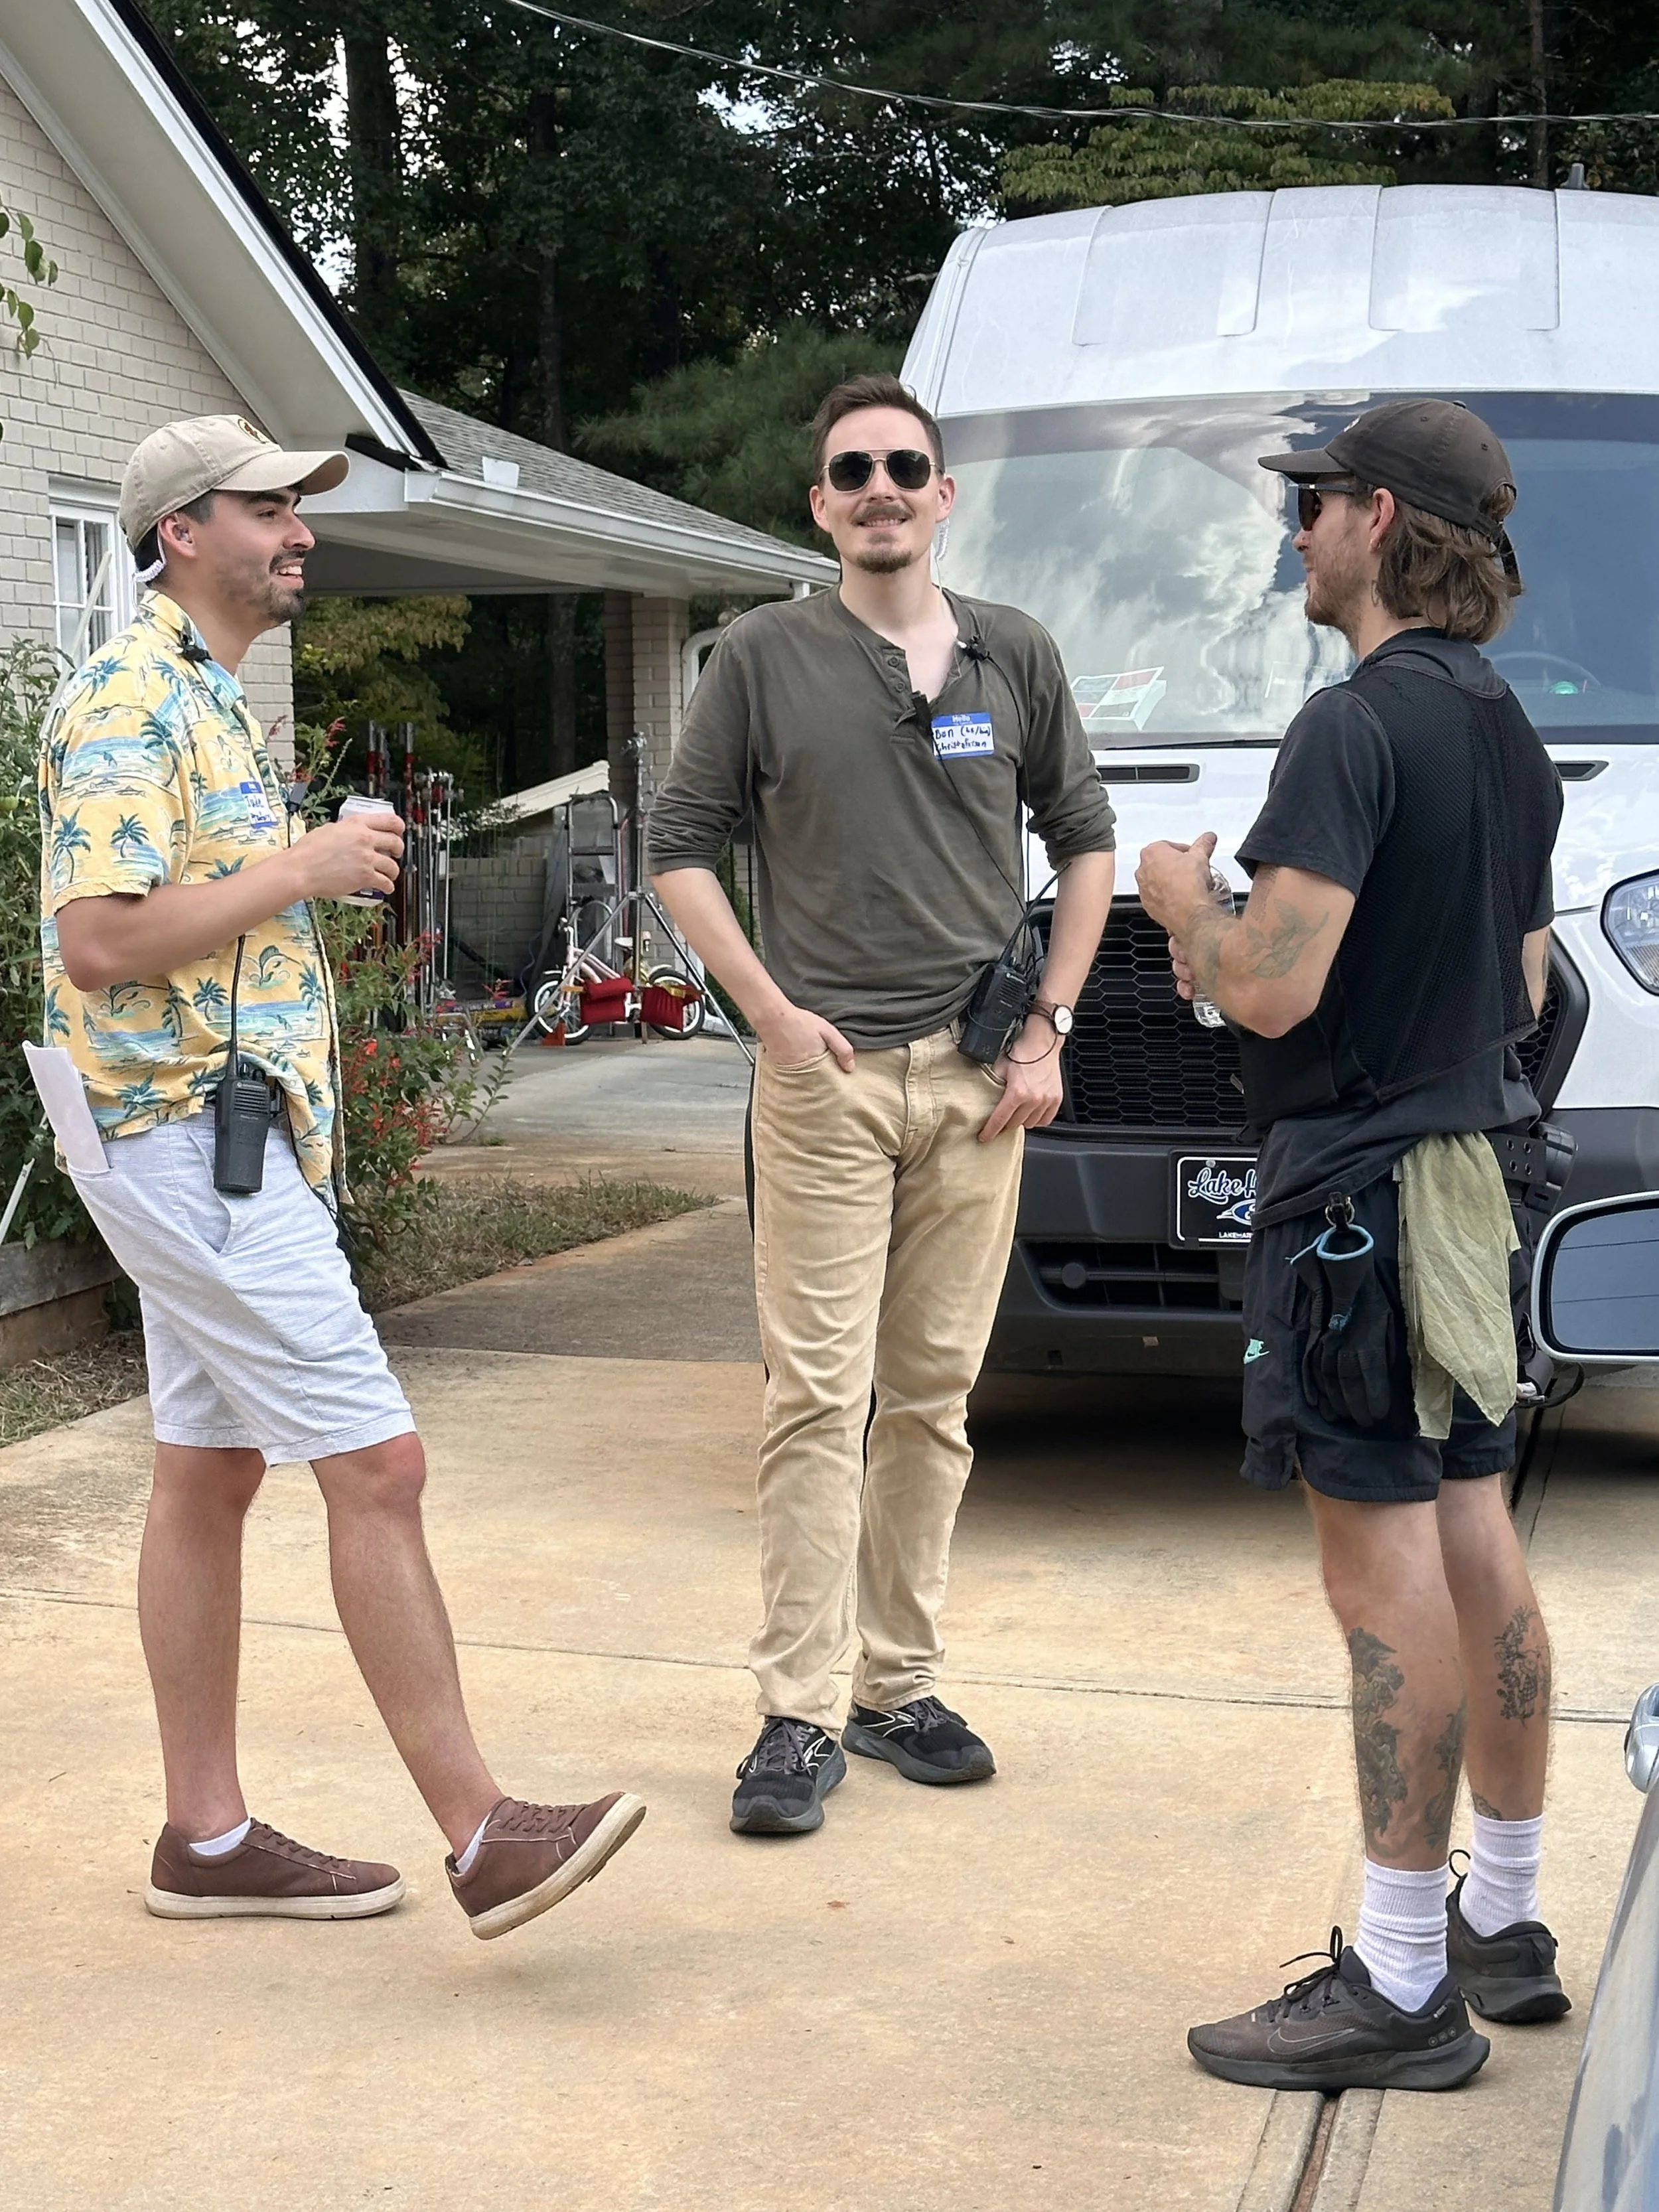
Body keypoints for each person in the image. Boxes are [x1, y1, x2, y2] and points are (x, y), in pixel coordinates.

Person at [38, 415, 645, 1936]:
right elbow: (99, 938)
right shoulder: (130, 695)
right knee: (377, 1463)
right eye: (269, 506)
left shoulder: (207, 703)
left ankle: (208, 1836)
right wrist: (302, 869)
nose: (300, 529)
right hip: (188, 1138)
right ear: (182, 530)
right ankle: (480, 1831)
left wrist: (289, 866)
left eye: (301, 506)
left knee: (212, 1465)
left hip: (205, 1138)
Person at [1137, 399, 1565, 2091]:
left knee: (1379, 1571)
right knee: (1475, 1533)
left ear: (1375, 519)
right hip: (1472, 1175)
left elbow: (1267, 985)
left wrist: (1182, 899)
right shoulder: (1504, 730)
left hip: (1358, 1205)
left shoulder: (1349, 726)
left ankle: (1395, 1983)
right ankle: (1504, 1923)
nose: (1291, 529)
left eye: (1309, 501)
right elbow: (1526, 986)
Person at [649, 373, 1116, 1836]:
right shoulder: (763, 657)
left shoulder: (1012, 655)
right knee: (814, 1398)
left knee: (931, 1399)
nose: (878, 490)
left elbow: (1087, 843)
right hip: (827, 1085)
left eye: (903, 467)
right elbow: (679, 847)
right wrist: (770, 1016)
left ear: (941, 492)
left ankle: (895, 1682)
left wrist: (1046, 1030)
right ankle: (796, 1711)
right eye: (850, 470)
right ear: (817, 503)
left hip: (979, 1085)